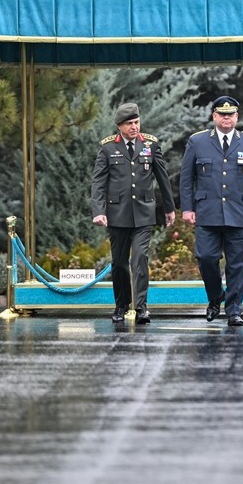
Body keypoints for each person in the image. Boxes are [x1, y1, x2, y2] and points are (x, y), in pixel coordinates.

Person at [180, 96, 243, 327]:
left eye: (231, 114)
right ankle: (216, 296)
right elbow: (187, 178)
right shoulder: (197, 141)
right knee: (206, 258)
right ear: (214, 116)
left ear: (237, 117)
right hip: (207, 212)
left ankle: (234, 310)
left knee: (237, 265)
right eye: (222, 114)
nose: (226, 118)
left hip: (239, 212)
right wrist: (187, 208)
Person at [91, 102, 175, 324]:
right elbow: (98, 182)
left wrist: (169, 209)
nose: (134, 127)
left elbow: (163, 179)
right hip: (117, 214)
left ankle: (141, 307)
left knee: (139, 258)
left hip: (143, 213)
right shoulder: (108, 148)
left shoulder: (150, 145)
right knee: (119, 262)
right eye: (129, 123)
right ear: (119, 126)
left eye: (136, 122)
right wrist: (99, 211)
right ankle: (121, 305)